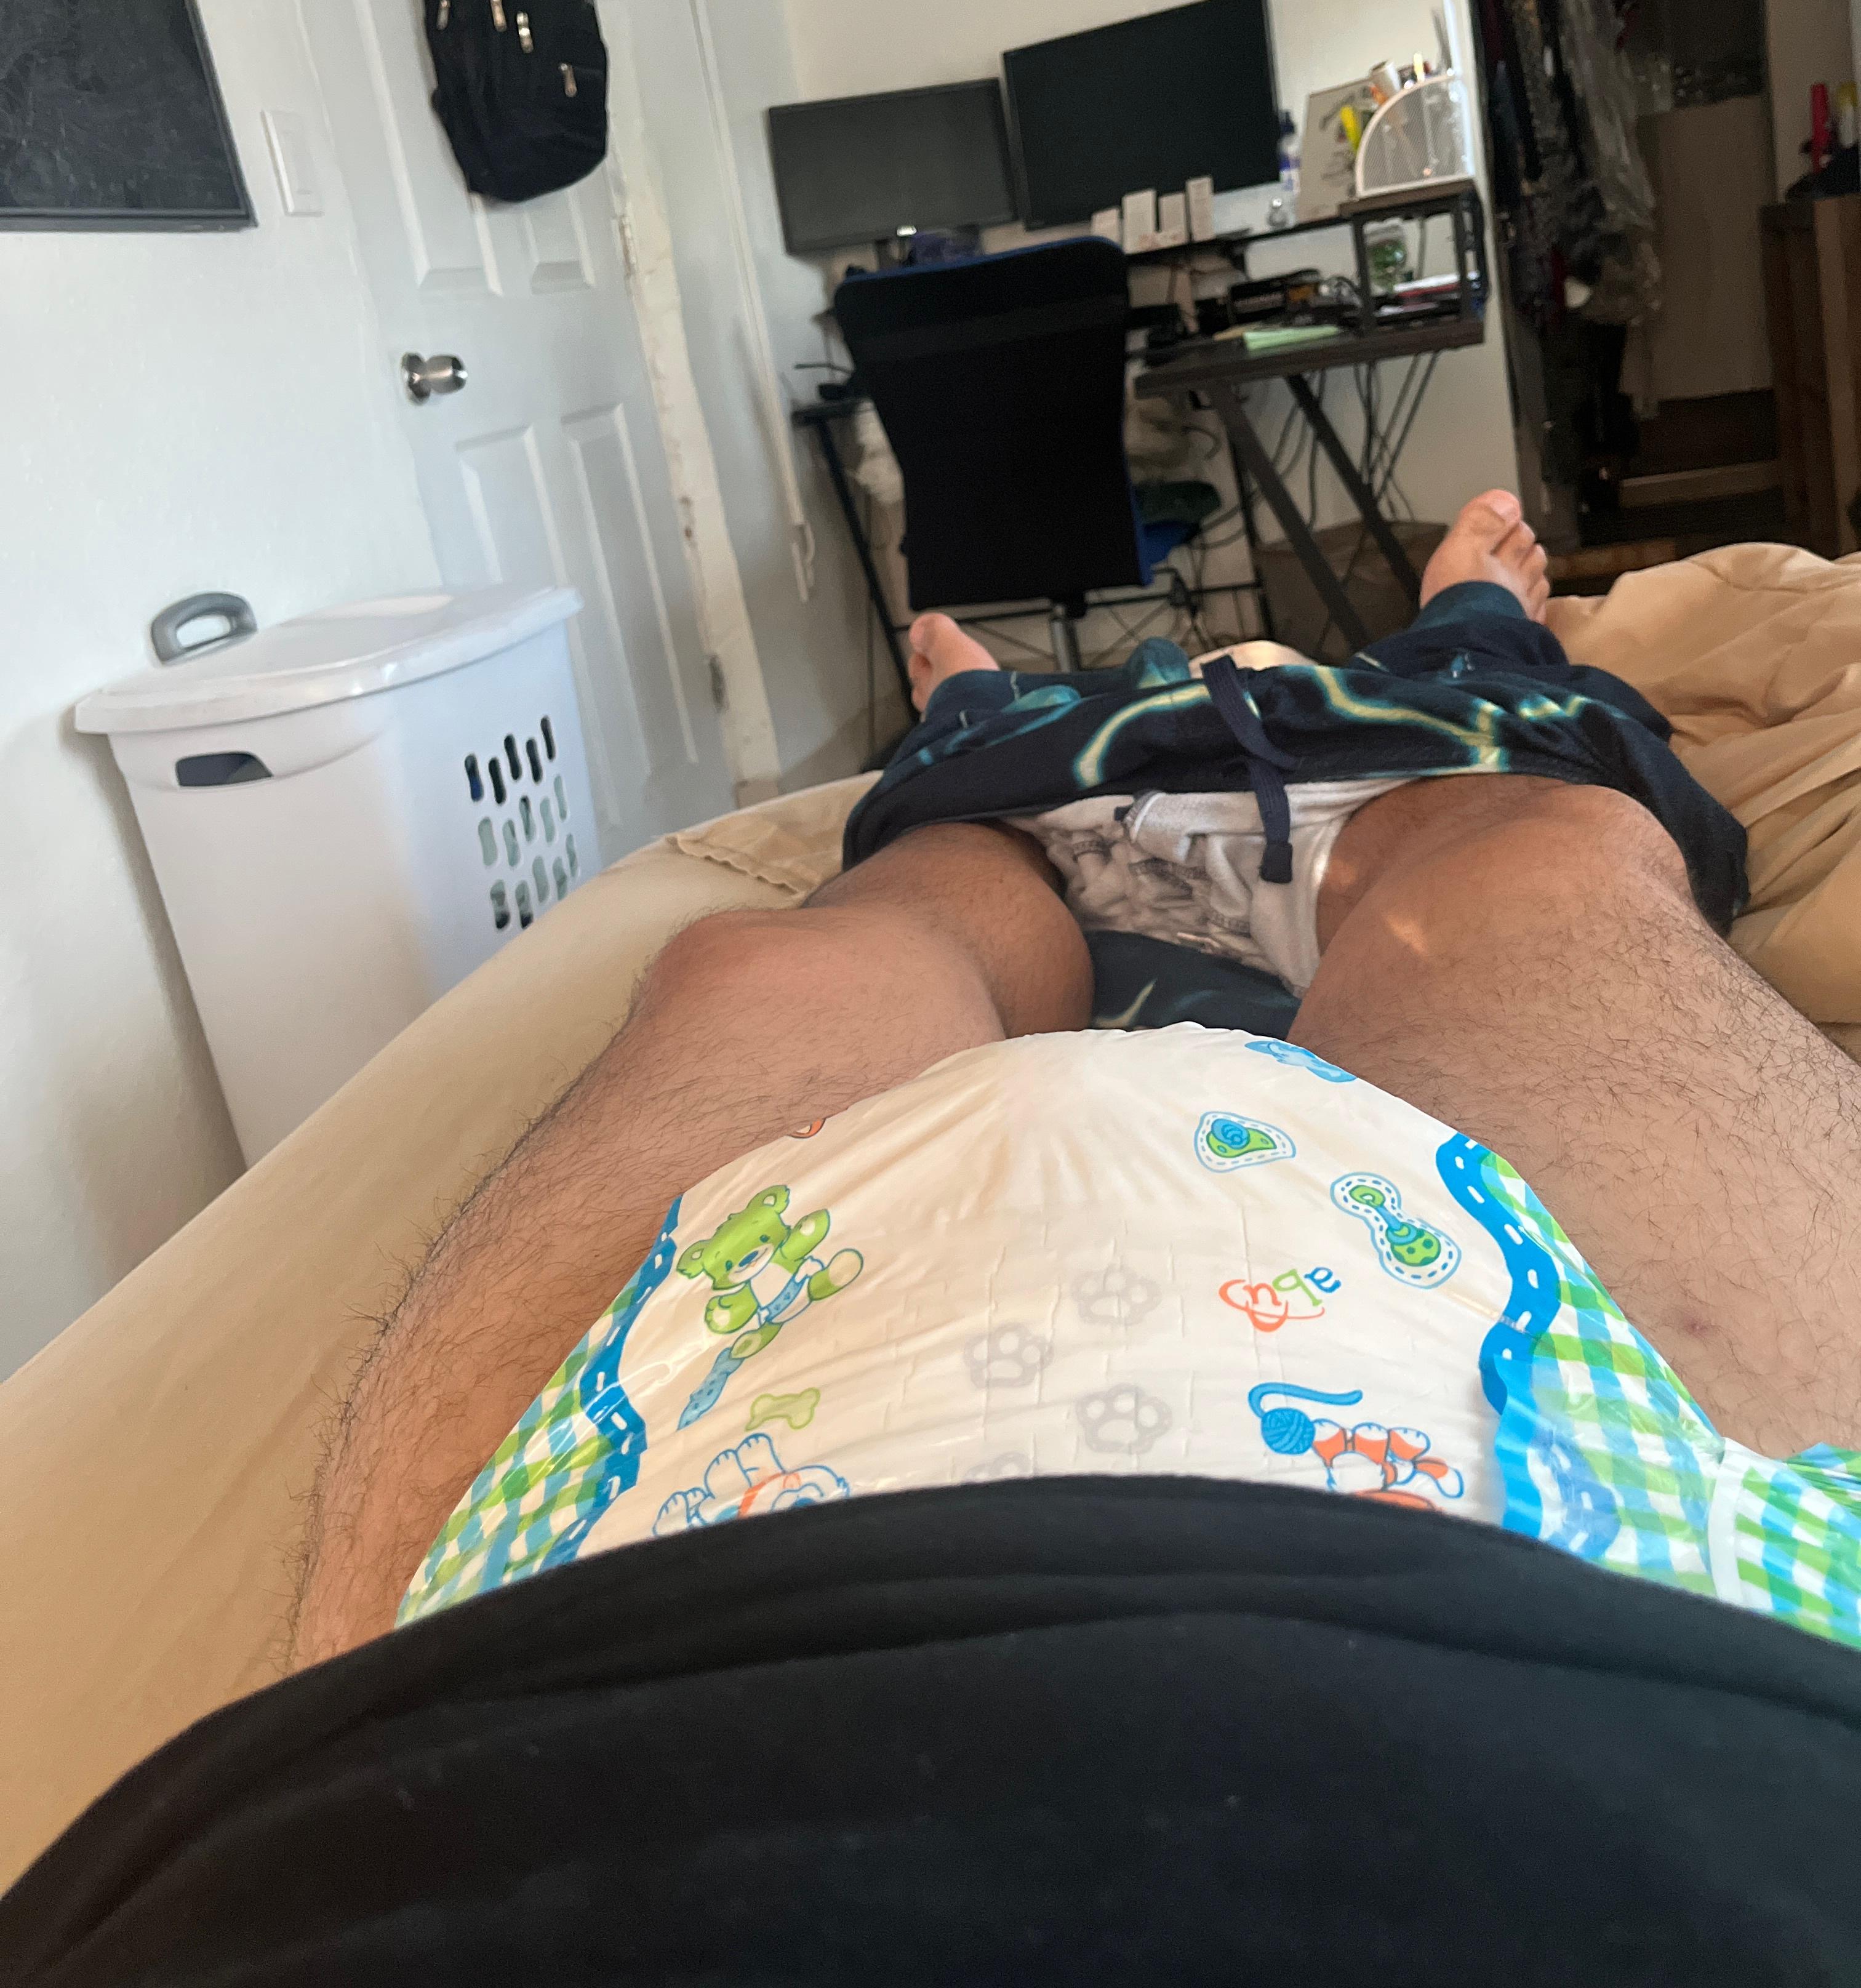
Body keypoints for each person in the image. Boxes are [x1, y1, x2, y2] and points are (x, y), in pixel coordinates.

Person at [7, 492, 1861, 1983]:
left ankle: (996, 720)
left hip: (477, 1763)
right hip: (1705, 1731)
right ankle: (1426, 638)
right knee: (1544, 859)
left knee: (766, 972)